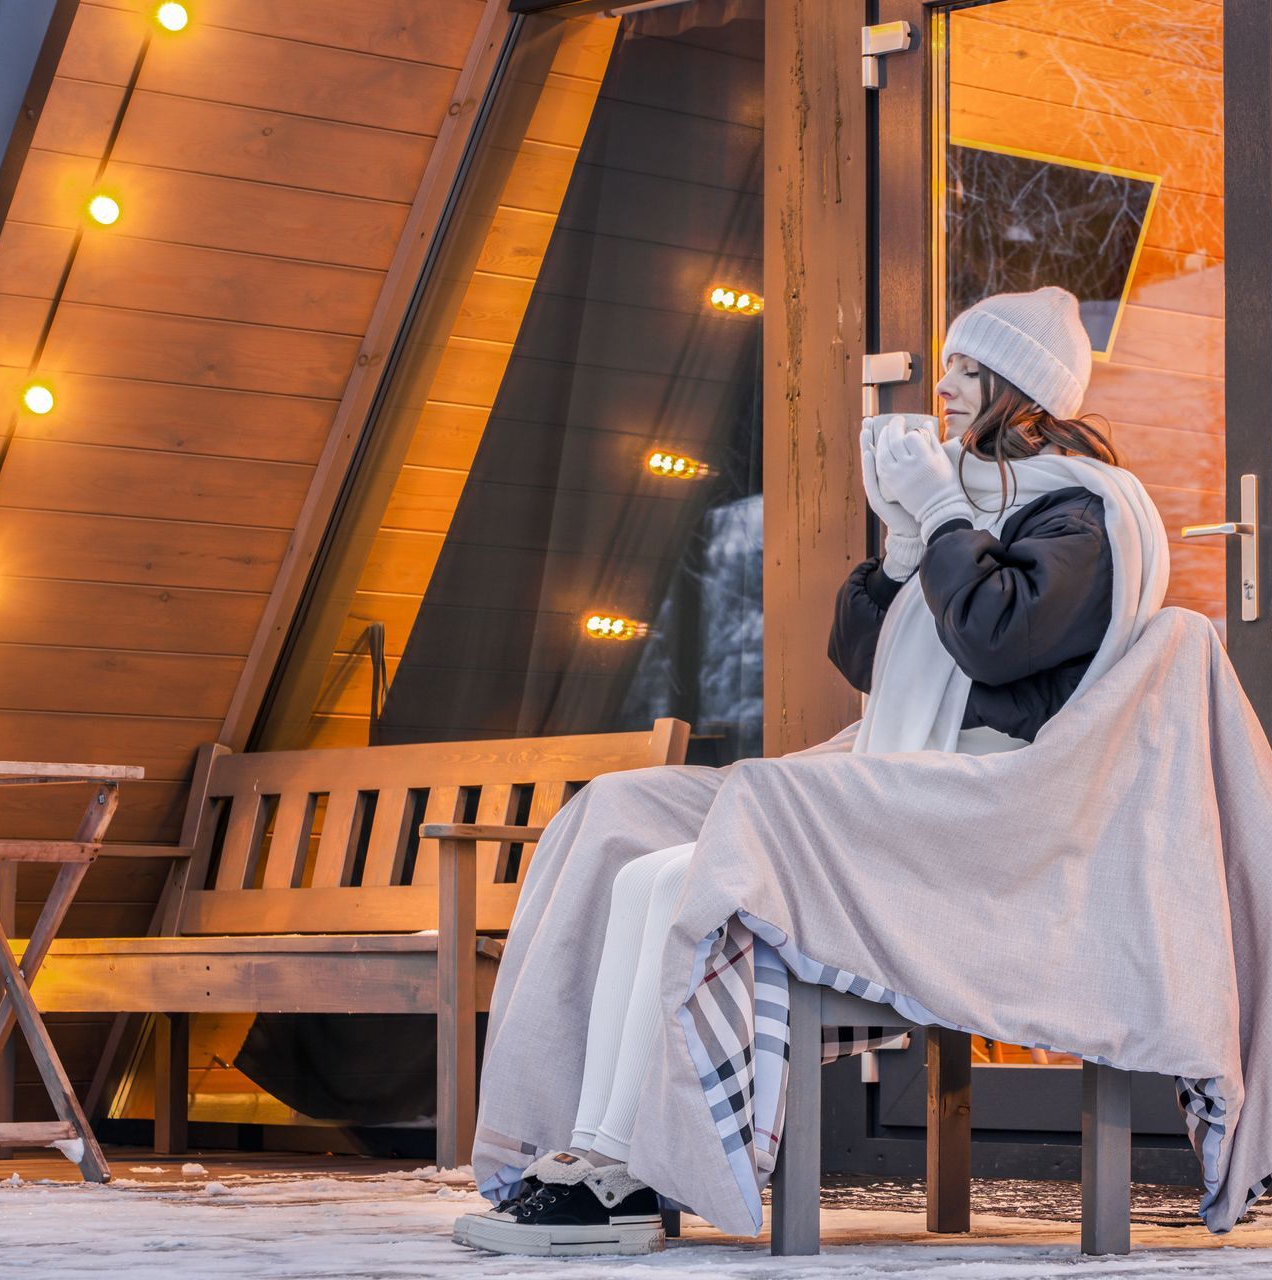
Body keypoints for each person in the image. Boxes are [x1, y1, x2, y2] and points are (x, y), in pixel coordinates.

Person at [456, 287, 1153, 1257]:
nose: (944, 384)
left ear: (1021, 388)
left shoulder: (1086, 517)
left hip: (985, 821)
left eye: (968, 368)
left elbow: (998, 639)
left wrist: (942, 514)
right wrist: (903, 548)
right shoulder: (972, 505)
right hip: (908, 792)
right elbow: (867, 661)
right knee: (638, 859)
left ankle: (629, 1167)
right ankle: (601, 1153)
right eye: (948, 365)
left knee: (699, 857)